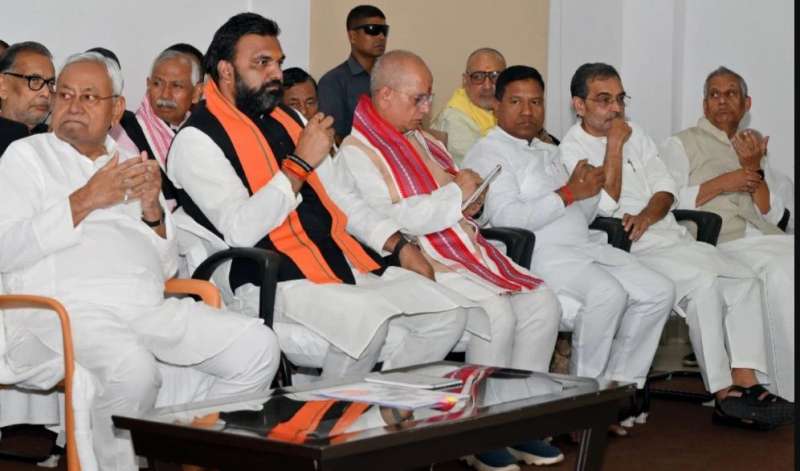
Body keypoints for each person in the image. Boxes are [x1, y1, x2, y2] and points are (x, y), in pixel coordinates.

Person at [0, 51, 279, 471]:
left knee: (257, 348)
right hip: (67, 312)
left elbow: (167, 268)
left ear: (116, 110)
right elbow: (5, 247)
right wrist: (85, 200)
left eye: (89, 96)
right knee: (132, 370)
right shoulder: (26, 157)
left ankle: (192, 452)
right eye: (66, 94)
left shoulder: (132, 166)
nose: (73, 105)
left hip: (146, 308)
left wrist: (152, 213)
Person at [168, 13, 468, 381]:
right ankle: (333, 415)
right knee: (366, 324)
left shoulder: (289, 118)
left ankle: (385, 408)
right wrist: (297, 166)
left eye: (278, 62)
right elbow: (240, 230)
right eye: (262, 63)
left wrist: (399, 246)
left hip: (334, 256)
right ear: (226, 71)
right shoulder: (196, 140)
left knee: (447, 315)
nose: (276, 73)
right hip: (269, 277)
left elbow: (344, 198)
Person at [338, 50, 564, 470]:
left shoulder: (420, 138)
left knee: (542, 301)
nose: (427, 108)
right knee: (495, 313)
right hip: (416, 259)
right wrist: (457, 196)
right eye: (418, 99)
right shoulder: (357, 152)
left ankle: (519, 419)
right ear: (385, 96)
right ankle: (474, 429)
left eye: (428, 97)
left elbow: (453, 189)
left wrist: (472, 197)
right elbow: (390, 220)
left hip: (456, 244)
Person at [465, 65, 674, 432]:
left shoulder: (549, 151)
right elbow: (507, 217)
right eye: (516, 102)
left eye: (536, 102)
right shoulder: (488, 153)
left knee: (659, 290)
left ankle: (616, 390)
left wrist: (586, 192)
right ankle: (582, 407)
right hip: (540, 253)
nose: (527, 111)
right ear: (496, 105)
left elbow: (583, 211)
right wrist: (567, 193)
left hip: (583, 244)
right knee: (607, 293)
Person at [660, 66, 795, 402]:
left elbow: (775, 217)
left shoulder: (752, 147)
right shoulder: (681, 143)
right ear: (704, 105)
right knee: (783, 269)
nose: (722, 100)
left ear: (746, 104)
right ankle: (782, 387)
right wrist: (722, 183)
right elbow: (666, 200)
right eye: (714, 94)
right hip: (719, 243)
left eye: (731, 93)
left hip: (764, 239)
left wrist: (753, 168)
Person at [113, 47, 204, 209]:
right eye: (157, 84)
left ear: (197, 92)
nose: (165, 95)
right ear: (148, 85)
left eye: (176, 86)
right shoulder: (124, 132)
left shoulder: (205, 133)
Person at [318, 4, 388, 143]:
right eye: (372, 30)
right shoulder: (333, 82)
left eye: (384, 31)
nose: (381, 37)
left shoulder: (391, 77)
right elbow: (334, 137)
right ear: (353, 36)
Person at [0, 41, 54, 155]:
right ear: (3, 86)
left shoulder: (58, 141)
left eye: (50, 83)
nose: (46, 93)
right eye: (34, 80)